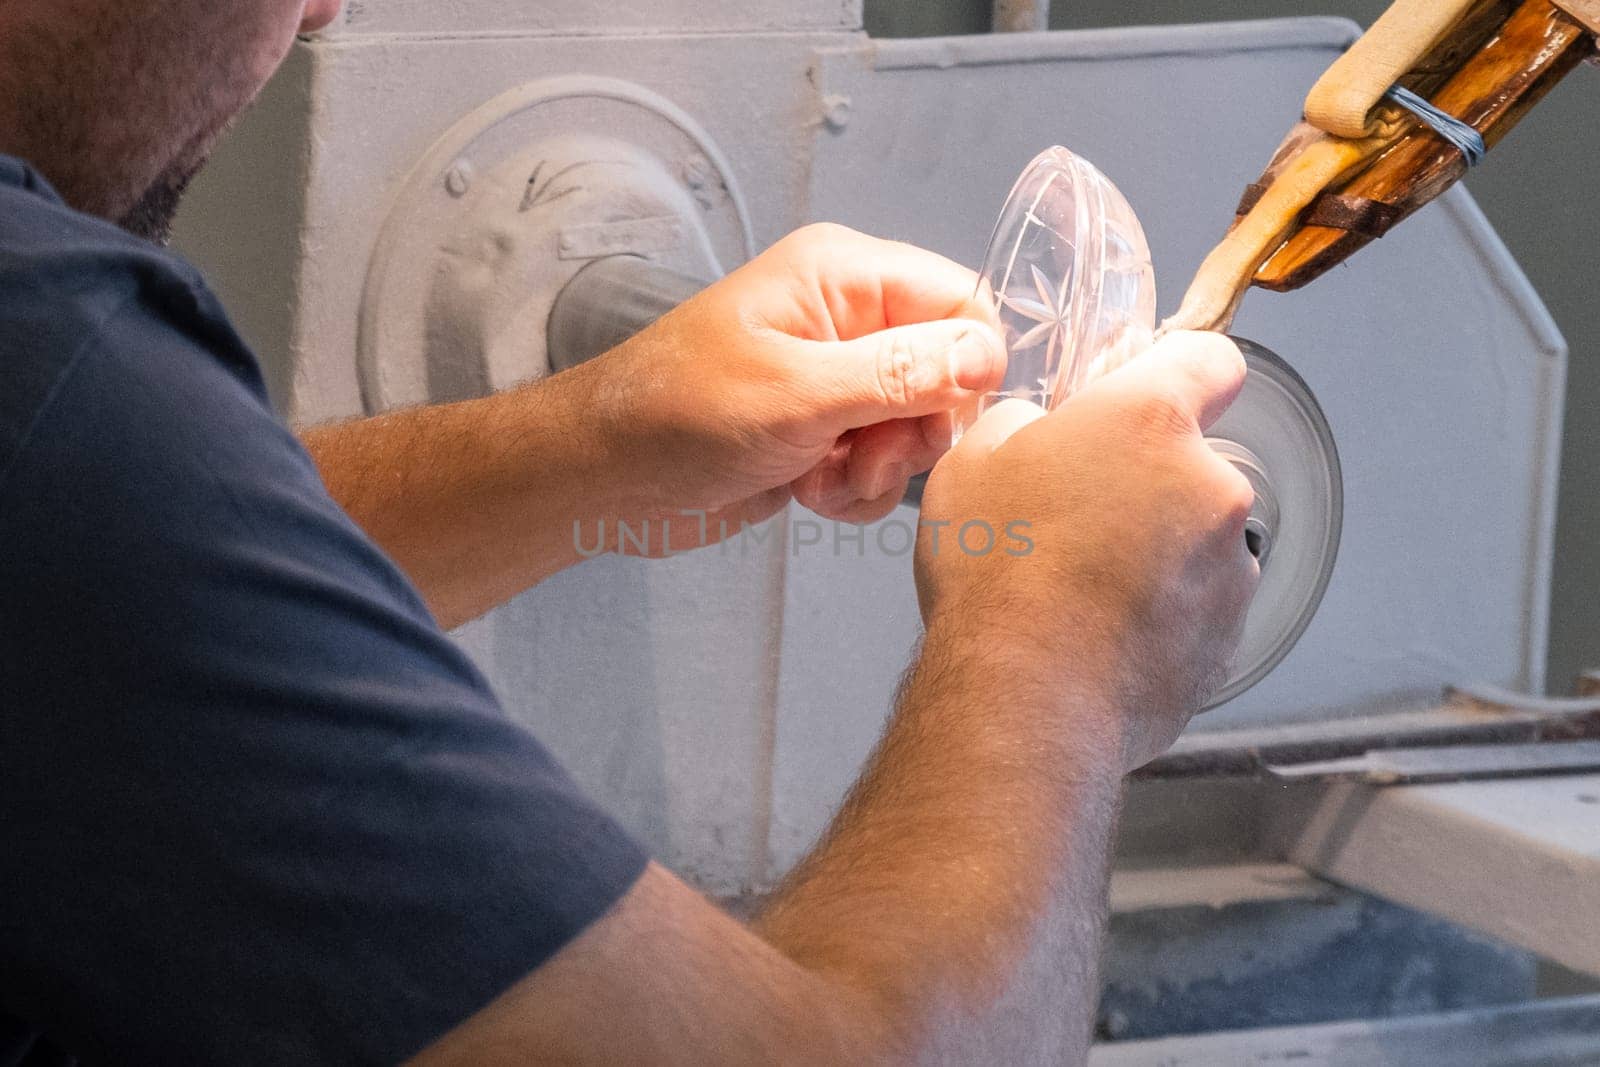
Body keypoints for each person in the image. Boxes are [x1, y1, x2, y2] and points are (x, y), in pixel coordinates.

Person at [0, 1, 1258, 1063]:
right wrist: (1061, 648)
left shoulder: (58, 426)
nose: (327, 5)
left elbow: (120, 581)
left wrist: (596, 441)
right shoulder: (46, 364)